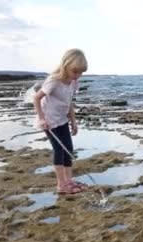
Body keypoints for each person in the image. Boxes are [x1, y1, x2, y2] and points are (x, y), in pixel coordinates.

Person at [33, 48, 88, 194]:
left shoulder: (74, 82)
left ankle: (69, 181)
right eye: (75, 71)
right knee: (59, 149)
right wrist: (41, 119)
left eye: (81, 72)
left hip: (62, 118)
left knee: (68, 149)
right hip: (49, 121)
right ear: (66, 66)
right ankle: (61, 184)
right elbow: (37, 98)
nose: (78, 75)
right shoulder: (54, 81)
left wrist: (73, 121)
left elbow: (69, 102)